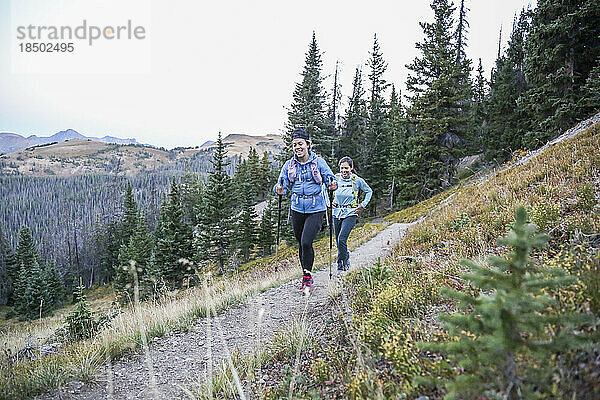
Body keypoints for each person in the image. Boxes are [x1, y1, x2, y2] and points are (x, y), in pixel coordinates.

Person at [274, 128, 337, 293]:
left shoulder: (319, 162)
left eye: (300, 144)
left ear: (307, 145)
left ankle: (307, 279)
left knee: (306, 242)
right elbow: (283, 184)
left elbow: (330, 178)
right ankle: (306, 274)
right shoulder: (289, 165)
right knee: (301, 244)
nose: (297, 147)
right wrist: (279, 189)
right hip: (297, 208)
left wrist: (332, 184)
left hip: (316, 208)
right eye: (294, 144)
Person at [332, 156, 372, 271]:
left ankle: (341, 265)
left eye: (346, 168)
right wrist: (330, 202)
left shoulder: (357, 180)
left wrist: (363, 205)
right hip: (337, 213)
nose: (344, 171)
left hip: (351, 213)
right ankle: (346, 256)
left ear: (351, 168)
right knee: (338, 241)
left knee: (342, 240)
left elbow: (369, 191)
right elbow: (325, 189)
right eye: (342, 168)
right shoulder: (335, 179)